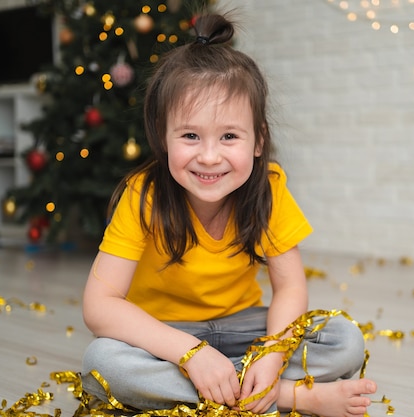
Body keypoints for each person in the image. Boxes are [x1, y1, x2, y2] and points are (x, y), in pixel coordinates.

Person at [81, 11, 377, 417]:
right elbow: (100, 306)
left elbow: (289, 289)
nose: (208, 156)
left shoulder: (268, 188)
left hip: (245, 328)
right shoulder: (143, 195)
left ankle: (238, 386)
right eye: (189, 135)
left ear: (258, 141)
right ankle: (290, 397)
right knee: (103, 362)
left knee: (345, 339)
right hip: (168, 335)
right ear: (162, 138)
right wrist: (191, 353)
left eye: (229, 136)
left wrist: (271, 357)